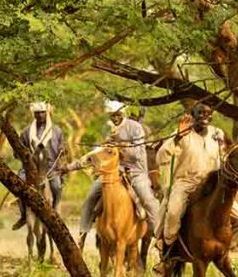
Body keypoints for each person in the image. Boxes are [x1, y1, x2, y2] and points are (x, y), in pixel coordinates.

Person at [71, 100, 160, 267]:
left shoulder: (135, 127)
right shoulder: (110, 130)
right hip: (114, 172)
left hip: (135, 172)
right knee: (91, 197)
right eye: (112, 116)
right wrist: (72, 166)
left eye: (118, 115)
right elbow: (100, 153)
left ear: (123, 114)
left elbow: (138, 155)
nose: (115, 119)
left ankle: (160, 240)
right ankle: (82, 236)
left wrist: (122, 145)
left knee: (149, 200)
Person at [155, 102, 238, 252]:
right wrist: (178, 136)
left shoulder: (217, 134)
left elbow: (228, 154)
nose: (204, 116)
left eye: (207, 113)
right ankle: (167, 251)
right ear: (192, 116)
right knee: (173, 213)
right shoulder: (182, 132)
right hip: (186, 183)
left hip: (212, 185)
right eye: (200, 113)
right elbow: (162, 155)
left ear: (211, 116)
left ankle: (224, 252)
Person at [11, 102, 66, 231]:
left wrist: (63, 151)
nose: (40, 115)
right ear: (33, 114)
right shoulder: (26, 132)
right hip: (30, 168)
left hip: (50, 167)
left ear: (47, 113)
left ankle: (56, 210)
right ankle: (24, 215)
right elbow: (17, 152)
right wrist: (24, 157)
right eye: (37, 113)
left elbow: (62, 149)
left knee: (56, 186)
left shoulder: (57, 131)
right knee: (20, 185)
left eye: (42, 112)